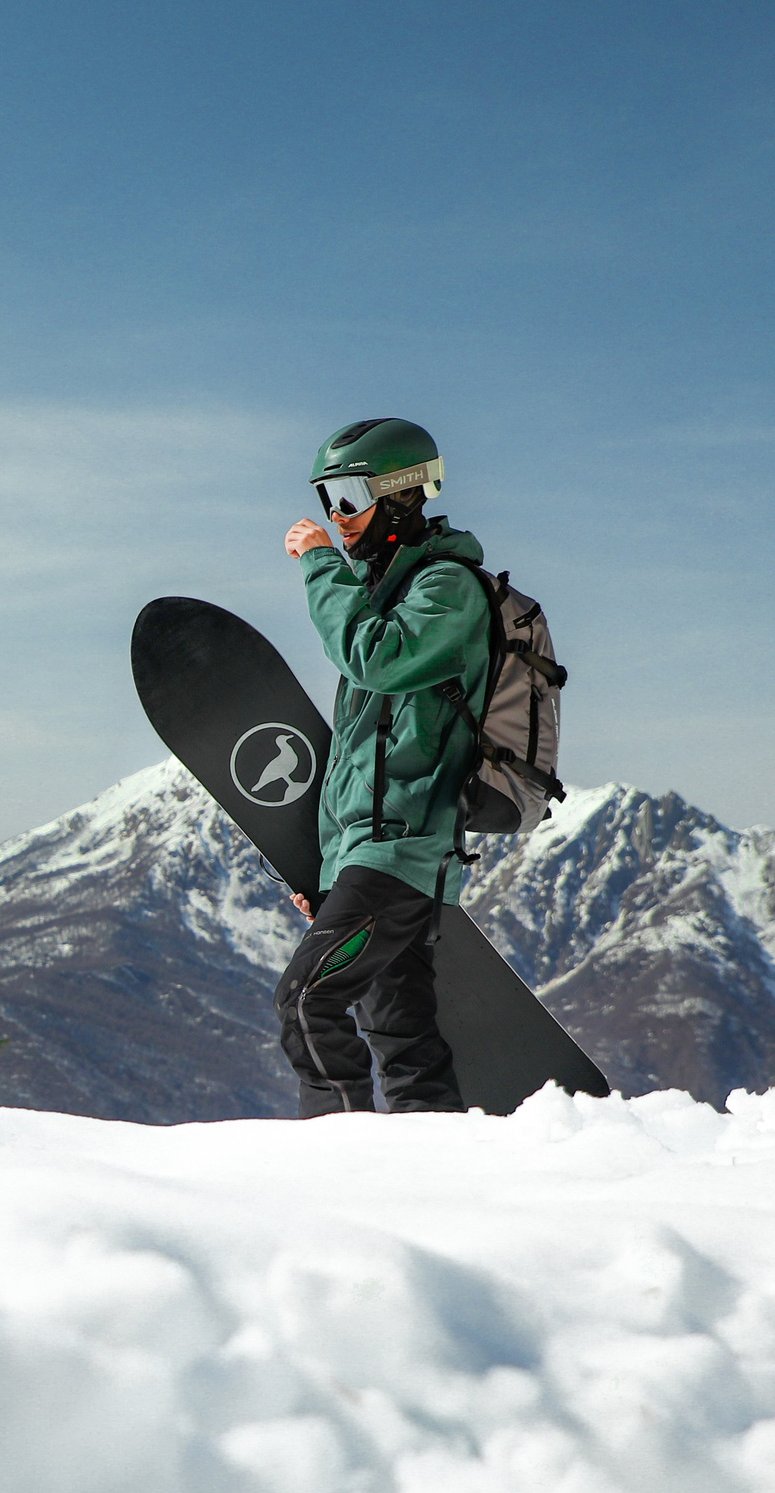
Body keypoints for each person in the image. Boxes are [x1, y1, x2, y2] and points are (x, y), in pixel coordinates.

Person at [275, 418, 490, 1115]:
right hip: (373, 852)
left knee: (308, 998)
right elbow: (358, 755)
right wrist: (331, 869)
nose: (334, 519)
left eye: (346, 497)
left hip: (405, 848)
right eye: (325, 498)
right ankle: (430, 1173)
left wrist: (318, 567)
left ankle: (340, 1162)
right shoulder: (386, 594)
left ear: (399, 494)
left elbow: (378, 659)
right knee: (401, 1034)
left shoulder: (447, 589)